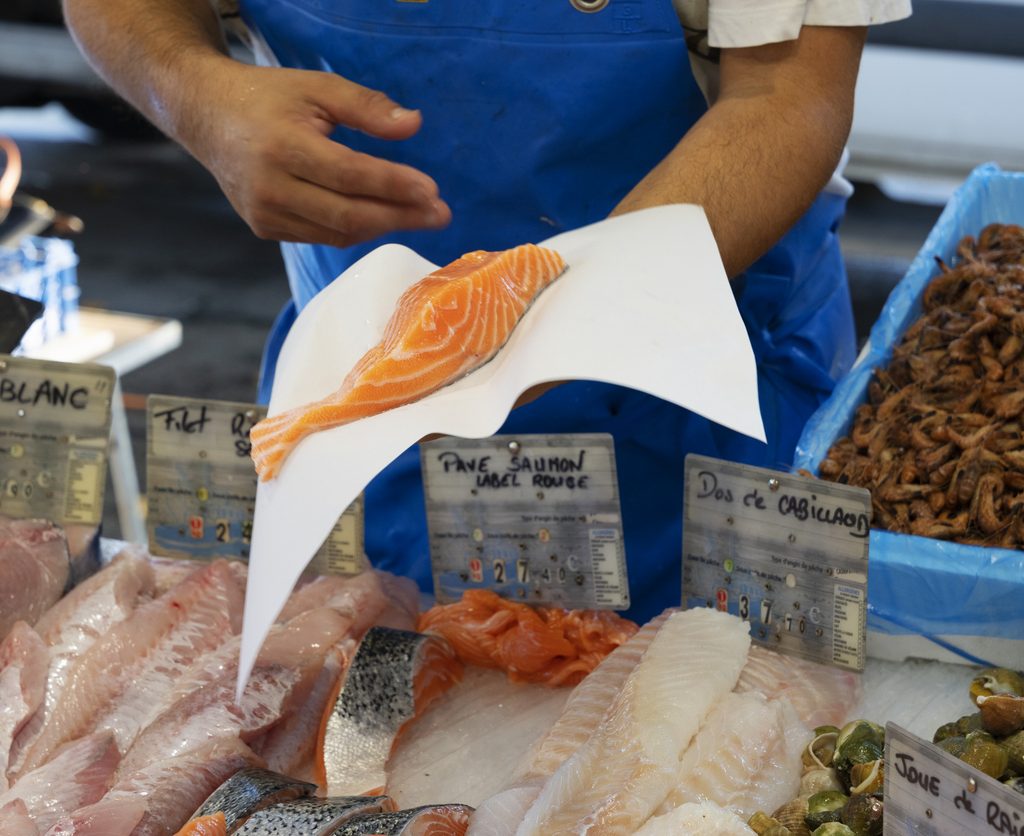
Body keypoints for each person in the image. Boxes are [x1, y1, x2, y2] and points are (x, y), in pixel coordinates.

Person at [62, 0, 909, 623]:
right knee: (411, 736)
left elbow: (789, 93)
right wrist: (200, 99)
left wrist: (556, 315)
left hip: (706, 378)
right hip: (376, 396)